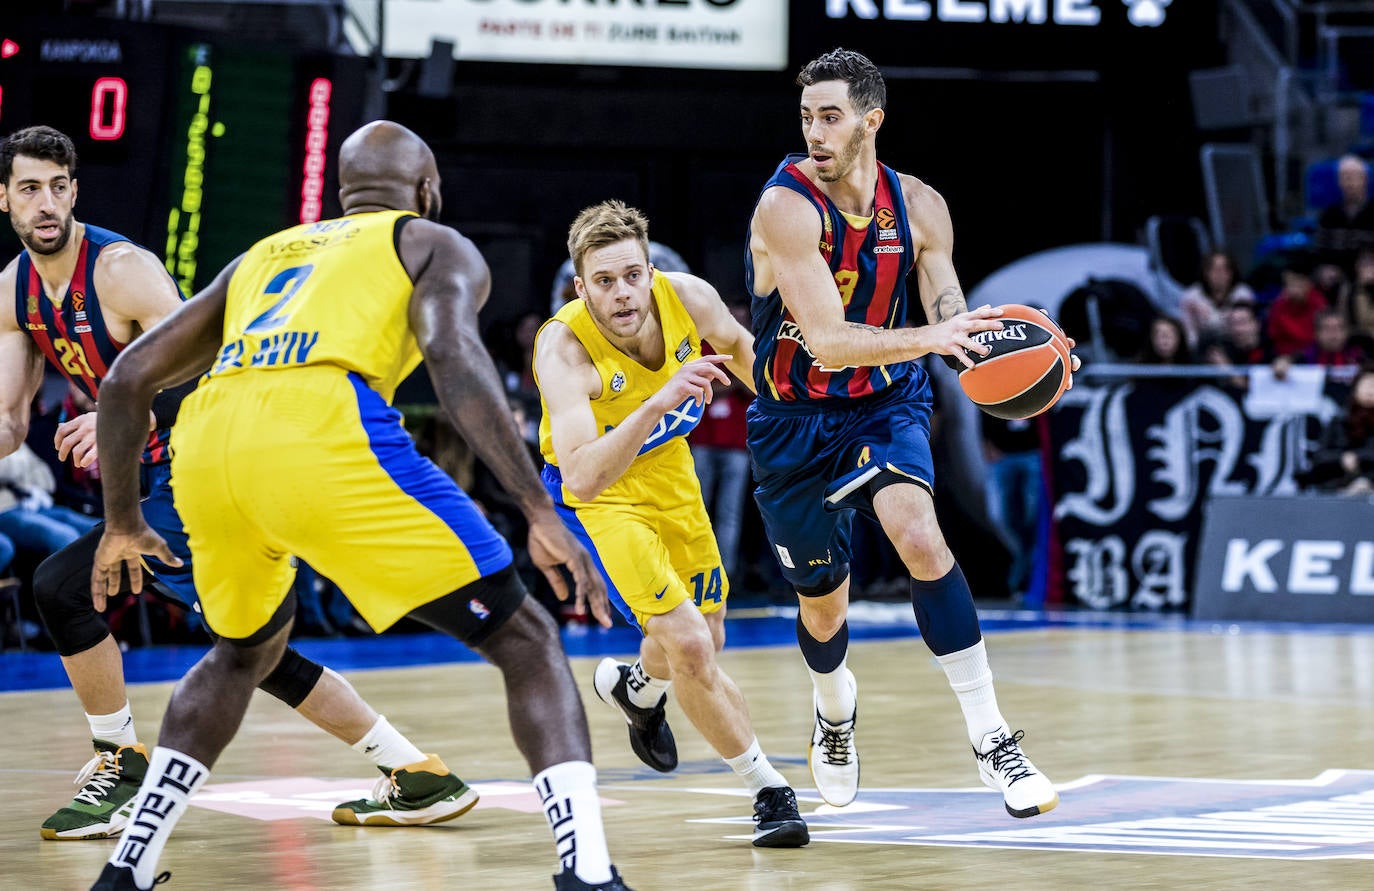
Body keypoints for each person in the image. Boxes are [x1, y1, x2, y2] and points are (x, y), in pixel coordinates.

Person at [88, 121, 630, 891]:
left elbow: (126, 381)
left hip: (207, 441)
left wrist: (121, 522)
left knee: (243, 651)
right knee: (527, 638)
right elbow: (451, 353)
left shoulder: (262, 256)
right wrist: (539, 508)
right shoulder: (429, 241)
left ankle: (127, 868)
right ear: (427, 189)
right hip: (324, 426)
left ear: (343, 196)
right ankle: (589, 871)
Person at [0, 126, 475, 844]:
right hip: (158, 475)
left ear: (75, 190)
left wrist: (112, 414)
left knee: (70, 587)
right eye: (30, 188)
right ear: (3, 197)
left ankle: (124, 763)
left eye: (59, 186)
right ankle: (415, 771)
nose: (47, 202)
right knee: (244, 640)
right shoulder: (13, 291)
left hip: (209, 454)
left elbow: (215, 366)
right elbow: (8, 420)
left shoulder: (122, 270)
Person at [744, 49, 1071, 816]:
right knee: (823, 605)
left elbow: (949, 309)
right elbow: (826, 339)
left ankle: (994, 740)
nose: (815, 133)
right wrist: (934, 338)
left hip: (883, 404)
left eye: (830, 116)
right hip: (792, 419)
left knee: (920, 537)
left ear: (871, 119)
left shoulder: (921, 207)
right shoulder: (785, 208)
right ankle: (833, 706)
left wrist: (1023, 347)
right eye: (806, 118)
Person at [534, 200, 807, 848]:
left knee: (703, 640)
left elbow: (743, 350)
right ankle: (768, 788)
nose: (622, 292)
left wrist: (801, 419)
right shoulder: (563, 346)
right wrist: (658, 400)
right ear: (581, 287)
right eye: (604, 281)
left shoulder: (687, 297)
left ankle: (639, 688)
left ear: (650, 270)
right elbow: (581, 477)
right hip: (600, 493)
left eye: (632, 274)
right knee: (689, 643)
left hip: (670, 476)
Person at [1297, 366, 1374, 495]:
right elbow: (1320, 456)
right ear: (1355, 389)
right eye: (1367, 385)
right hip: (1337, 482)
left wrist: (1358, 457)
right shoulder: (1339, 420)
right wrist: (1342, 458)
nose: (1370, 391)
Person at [1177, 251, 1255, 349]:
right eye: (1214, 270)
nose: (1219, 275)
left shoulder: (1243, 294)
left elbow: (1250, 330)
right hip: (1202, 349)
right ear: (1205, 272)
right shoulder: (1191, 297)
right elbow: (1188, 333)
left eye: (1225, 270)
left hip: (1237, 349)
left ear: (1232, 272)